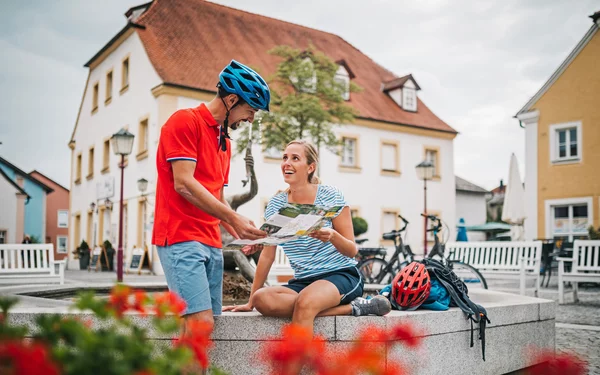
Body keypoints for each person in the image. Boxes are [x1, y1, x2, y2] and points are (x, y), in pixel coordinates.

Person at [152, 60, 271, 333]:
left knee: (204, 327)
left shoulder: (224, 141)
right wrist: (233, 218)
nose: (251, 119)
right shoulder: (184, 121)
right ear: (231, 99)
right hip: (180, 237)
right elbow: (183, 182)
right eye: (250, 110)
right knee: (200, 323)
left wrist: (241, 234)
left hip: (212, 242)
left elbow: (217, 195)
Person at [223, 140, 391, 333]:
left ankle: (295, 359)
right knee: (262, 299)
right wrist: (250, 301)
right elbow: (268, 255)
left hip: (341, 275)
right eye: (285, 157)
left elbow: (352, 250)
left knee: (305, 303)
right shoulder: (276, 204)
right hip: (303, 282)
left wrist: (333, 236)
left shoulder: (331, 196)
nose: (287, 162)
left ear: (310, 167)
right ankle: (354, 308)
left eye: (295, 158)